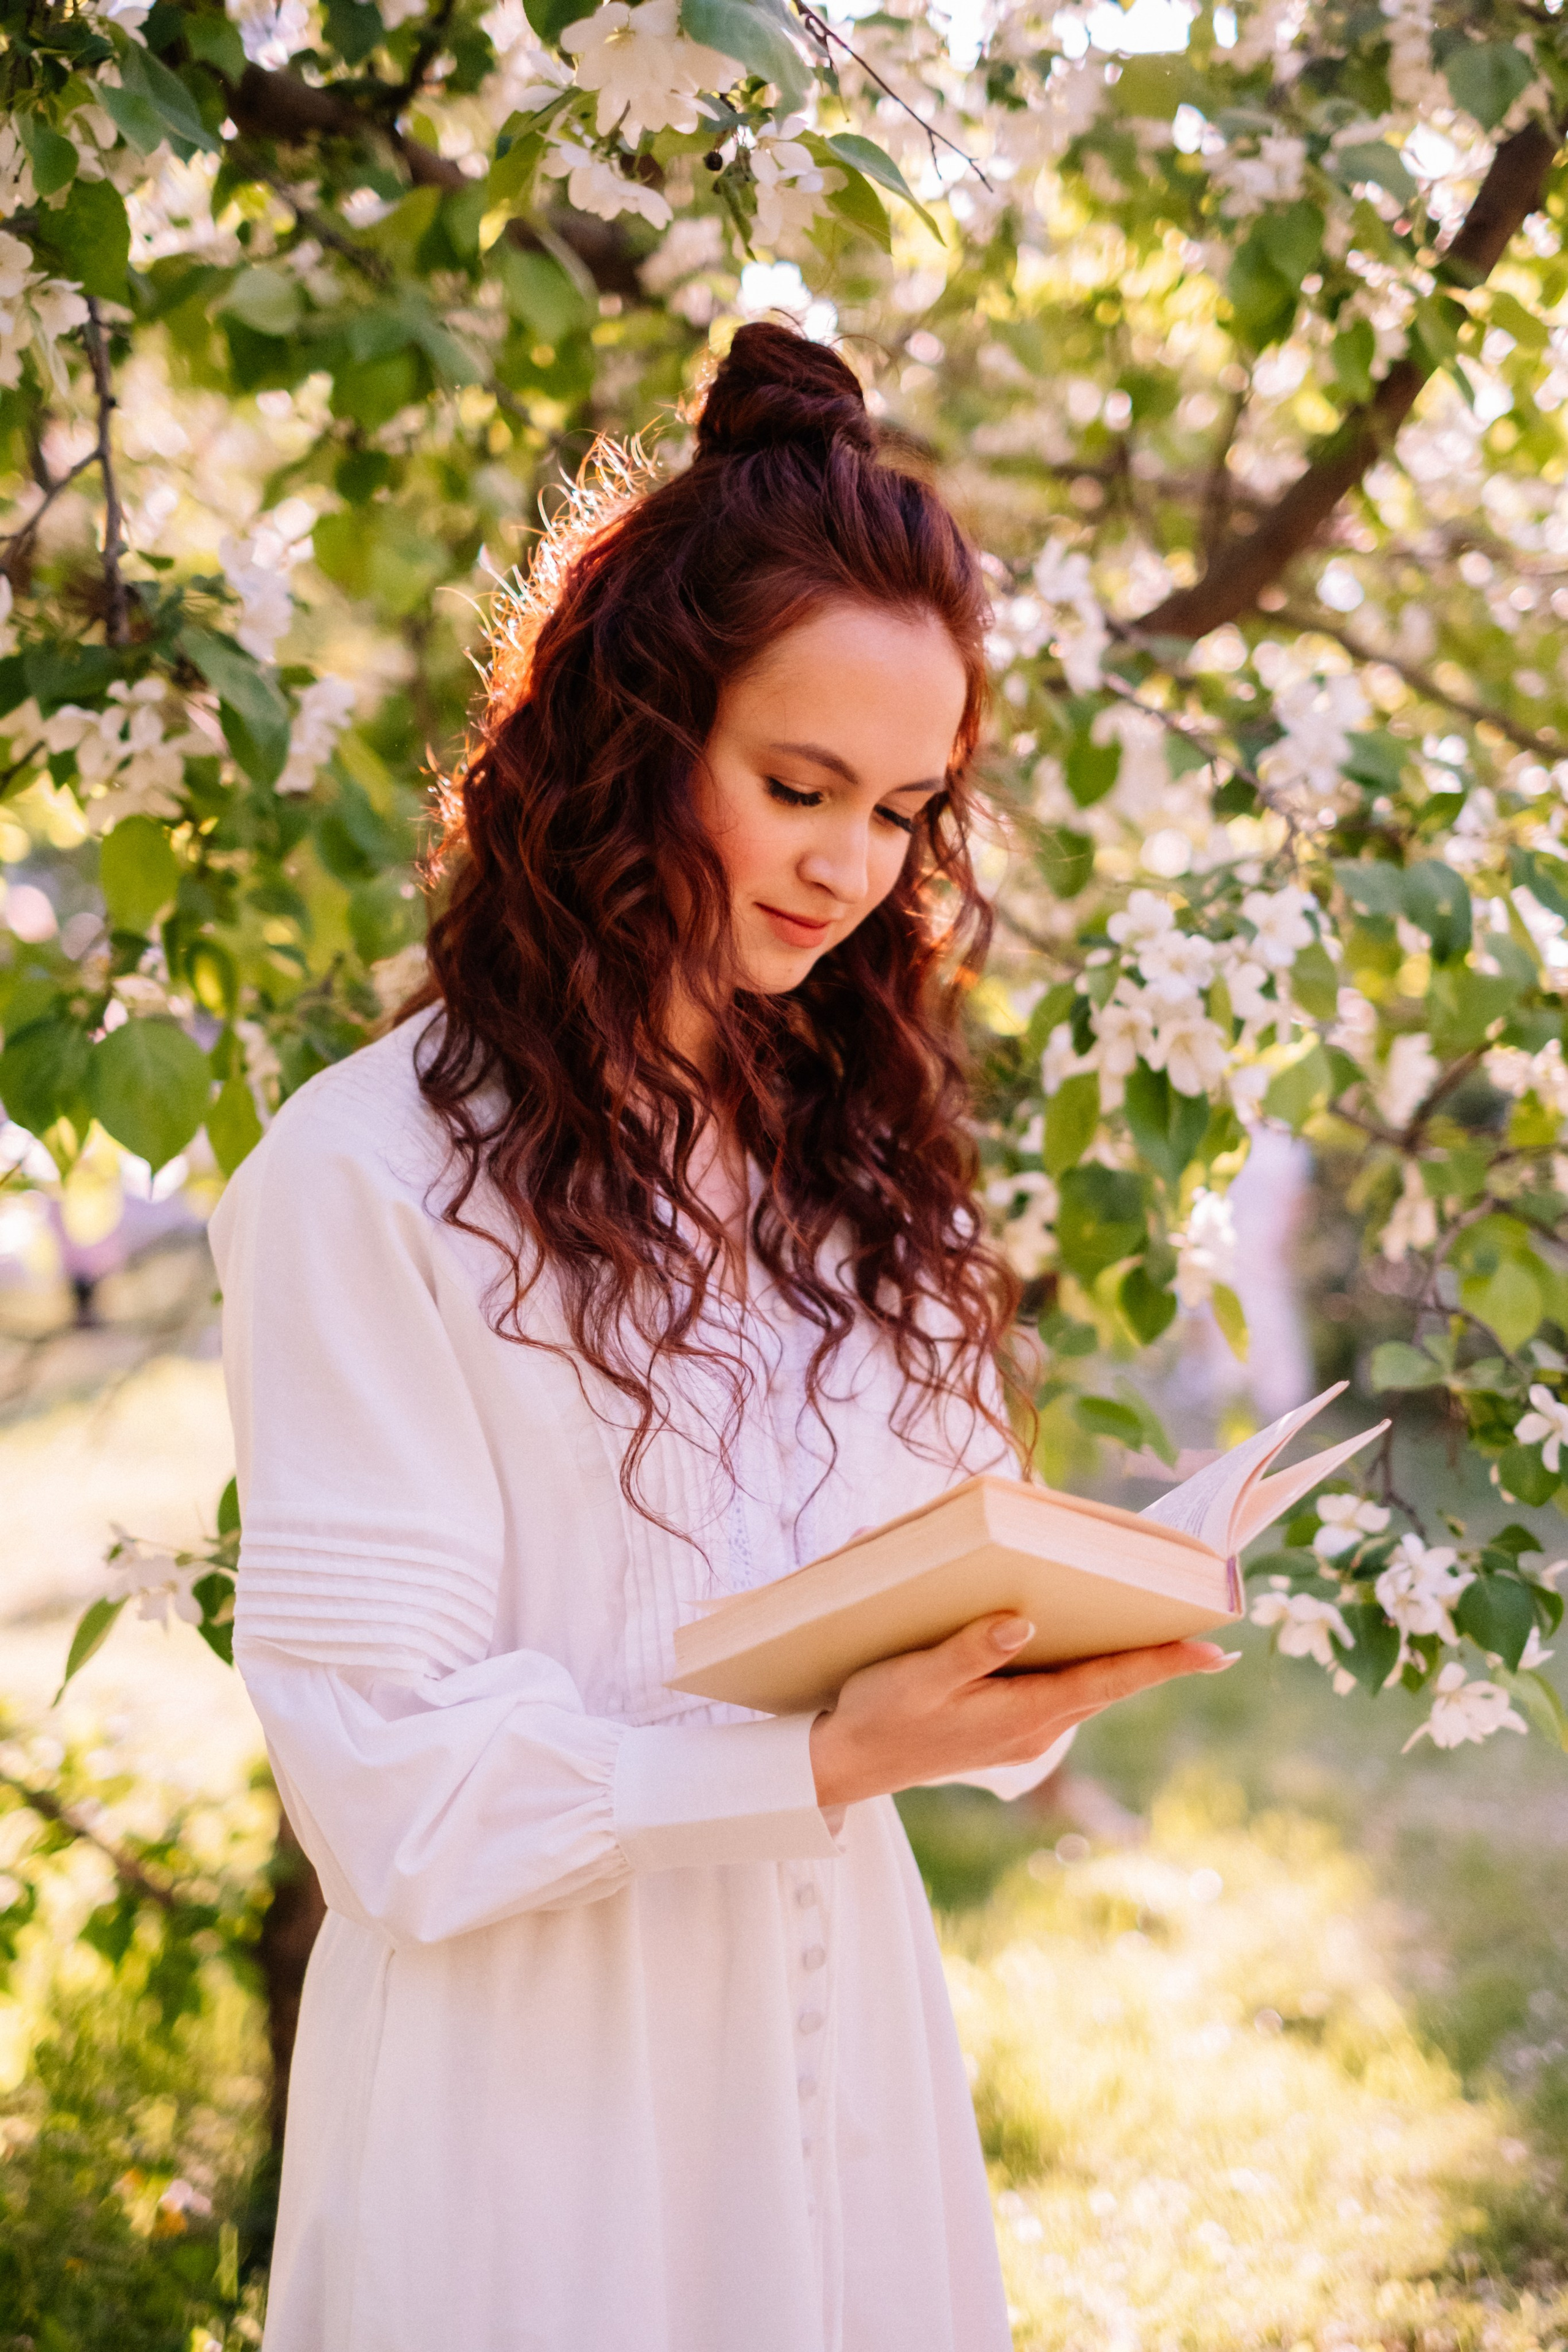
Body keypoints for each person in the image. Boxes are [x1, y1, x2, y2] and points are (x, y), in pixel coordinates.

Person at [210, 323, 1232, 2352]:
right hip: (530, 2111)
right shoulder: (369, 1178)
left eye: (905, 810)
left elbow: (875, 1587)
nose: (853, 869)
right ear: (631, 735)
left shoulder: (843, 1151)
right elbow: (390, 1790)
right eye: (797, 786)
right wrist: (824, 1752)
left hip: (841, 2052)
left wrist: (1015, 1651)